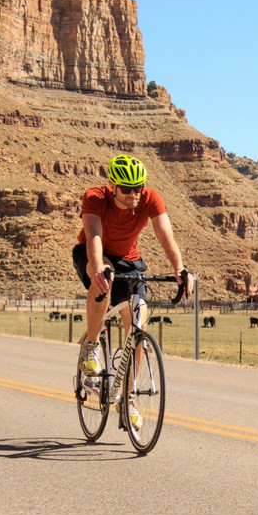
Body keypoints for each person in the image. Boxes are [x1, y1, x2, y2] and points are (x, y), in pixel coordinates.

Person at [72, 153, 191, 375]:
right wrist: (98, 267)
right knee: (104, 276)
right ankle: (92, 345)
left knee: (138, 326)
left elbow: (165, 235)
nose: (133, 194)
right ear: (113, 187)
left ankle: (130, 392)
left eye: (138, 188)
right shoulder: (95, 198)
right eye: (126, 189)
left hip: (128, 260)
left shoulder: (150, 198)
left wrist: (179, 268)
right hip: (94, 253)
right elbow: (93, 235)